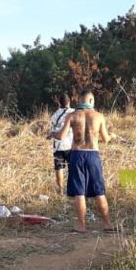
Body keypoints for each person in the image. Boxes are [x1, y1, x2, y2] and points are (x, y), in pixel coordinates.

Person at [56, 89, 116, 233]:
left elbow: (61, 136)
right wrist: (112, 135)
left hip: (77, 154)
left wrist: (53, 133)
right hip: (93, 155)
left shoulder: (72, 116)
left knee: (79, 192)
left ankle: (81, 226)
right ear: (91, 101)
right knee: (99, 191)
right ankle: (107, 224)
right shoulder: (99, 116)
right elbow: (105, 139)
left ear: (80, 101)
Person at [46, 93, 74, 193]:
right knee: (72, 168)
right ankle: (72, 189)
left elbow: (52, 129)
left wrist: (51, 135)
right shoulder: (73, 112)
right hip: (70, 145)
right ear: (69, 102)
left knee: (59, 168)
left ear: (59, 103)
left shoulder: (54, 115)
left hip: (57, 146)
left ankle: (60, 190)